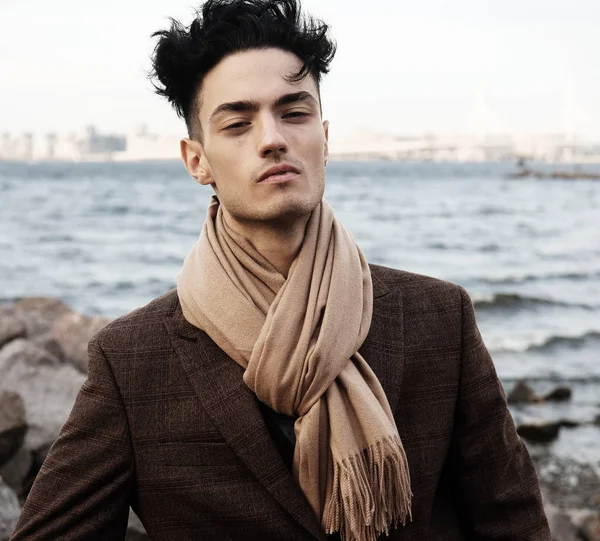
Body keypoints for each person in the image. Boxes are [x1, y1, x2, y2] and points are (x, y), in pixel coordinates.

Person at [11, 1, 551, 540]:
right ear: (196, 160)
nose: (273, 138)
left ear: (325, 135)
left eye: (295, 113)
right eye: (238, 123)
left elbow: (513, 522)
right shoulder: (132, 359)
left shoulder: (439, 318)